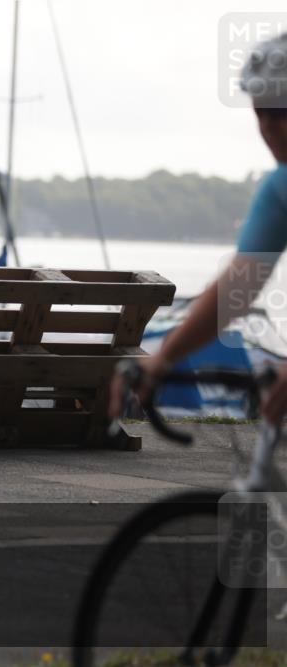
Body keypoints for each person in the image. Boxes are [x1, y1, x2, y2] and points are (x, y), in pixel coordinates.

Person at [110, 33, 287, 423]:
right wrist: (164, 358)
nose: (270, 127)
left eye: (281, 112)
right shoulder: (279, 188)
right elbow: (240, 285)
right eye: (261, 114)